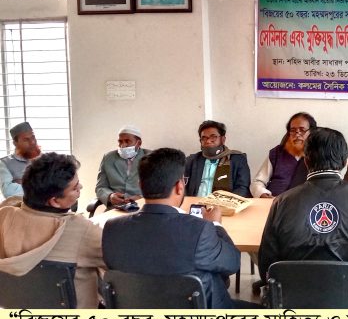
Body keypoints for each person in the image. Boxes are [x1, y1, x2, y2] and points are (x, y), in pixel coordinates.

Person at [258, 128, 348, 308]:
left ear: (306, 161)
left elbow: (266, 266)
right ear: (344, 162)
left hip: (293, 305)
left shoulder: (281, 201)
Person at [103, 148, 250, 308]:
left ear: (140, 185)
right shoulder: (200, 230)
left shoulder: (112, 229)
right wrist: (215, 224)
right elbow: (232, 263)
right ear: (180, 186)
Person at [0, 153, 104, 308]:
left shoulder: (4, 215)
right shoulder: (82, 230)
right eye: (75, 187)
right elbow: (119, 264)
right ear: (54, 201)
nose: (80, 188)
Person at [250, 112, 317, 198]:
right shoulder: (277, 153)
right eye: (293, 130)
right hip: (272, 202)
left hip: (302, 203)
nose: (297, 134)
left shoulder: (318, 155)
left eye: (302, 130)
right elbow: (258, 182)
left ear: (312, 132)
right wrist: (263, 194)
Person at [185, 120, 251, 197]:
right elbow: (182, 186)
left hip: (225, 202)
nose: (208, 141)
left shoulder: (237, 159)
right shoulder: (192, 160)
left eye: (213, 137)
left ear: (223, 139)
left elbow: (243, 188)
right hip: (195, 202)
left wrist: (226, 202)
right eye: (204, 138)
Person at [95, 125, 150, 207]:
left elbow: (161, 188)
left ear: (139, 143)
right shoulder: (108, 158)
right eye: (120, 141)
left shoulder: (151, 157)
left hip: (144, 206)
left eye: (127, 141)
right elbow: (100, 187)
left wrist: (141, 198)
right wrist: (110, 196)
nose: (123, 145)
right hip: (117, 208)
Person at [0, 122, 41, 198]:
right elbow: (9, 192)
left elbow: (58, 185)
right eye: (26, 140)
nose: (32, 142)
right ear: (15, 143)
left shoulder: (45, 159)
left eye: (33, 137)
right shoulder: (4, 163)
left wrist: (24, 183)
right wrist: (42, 185)